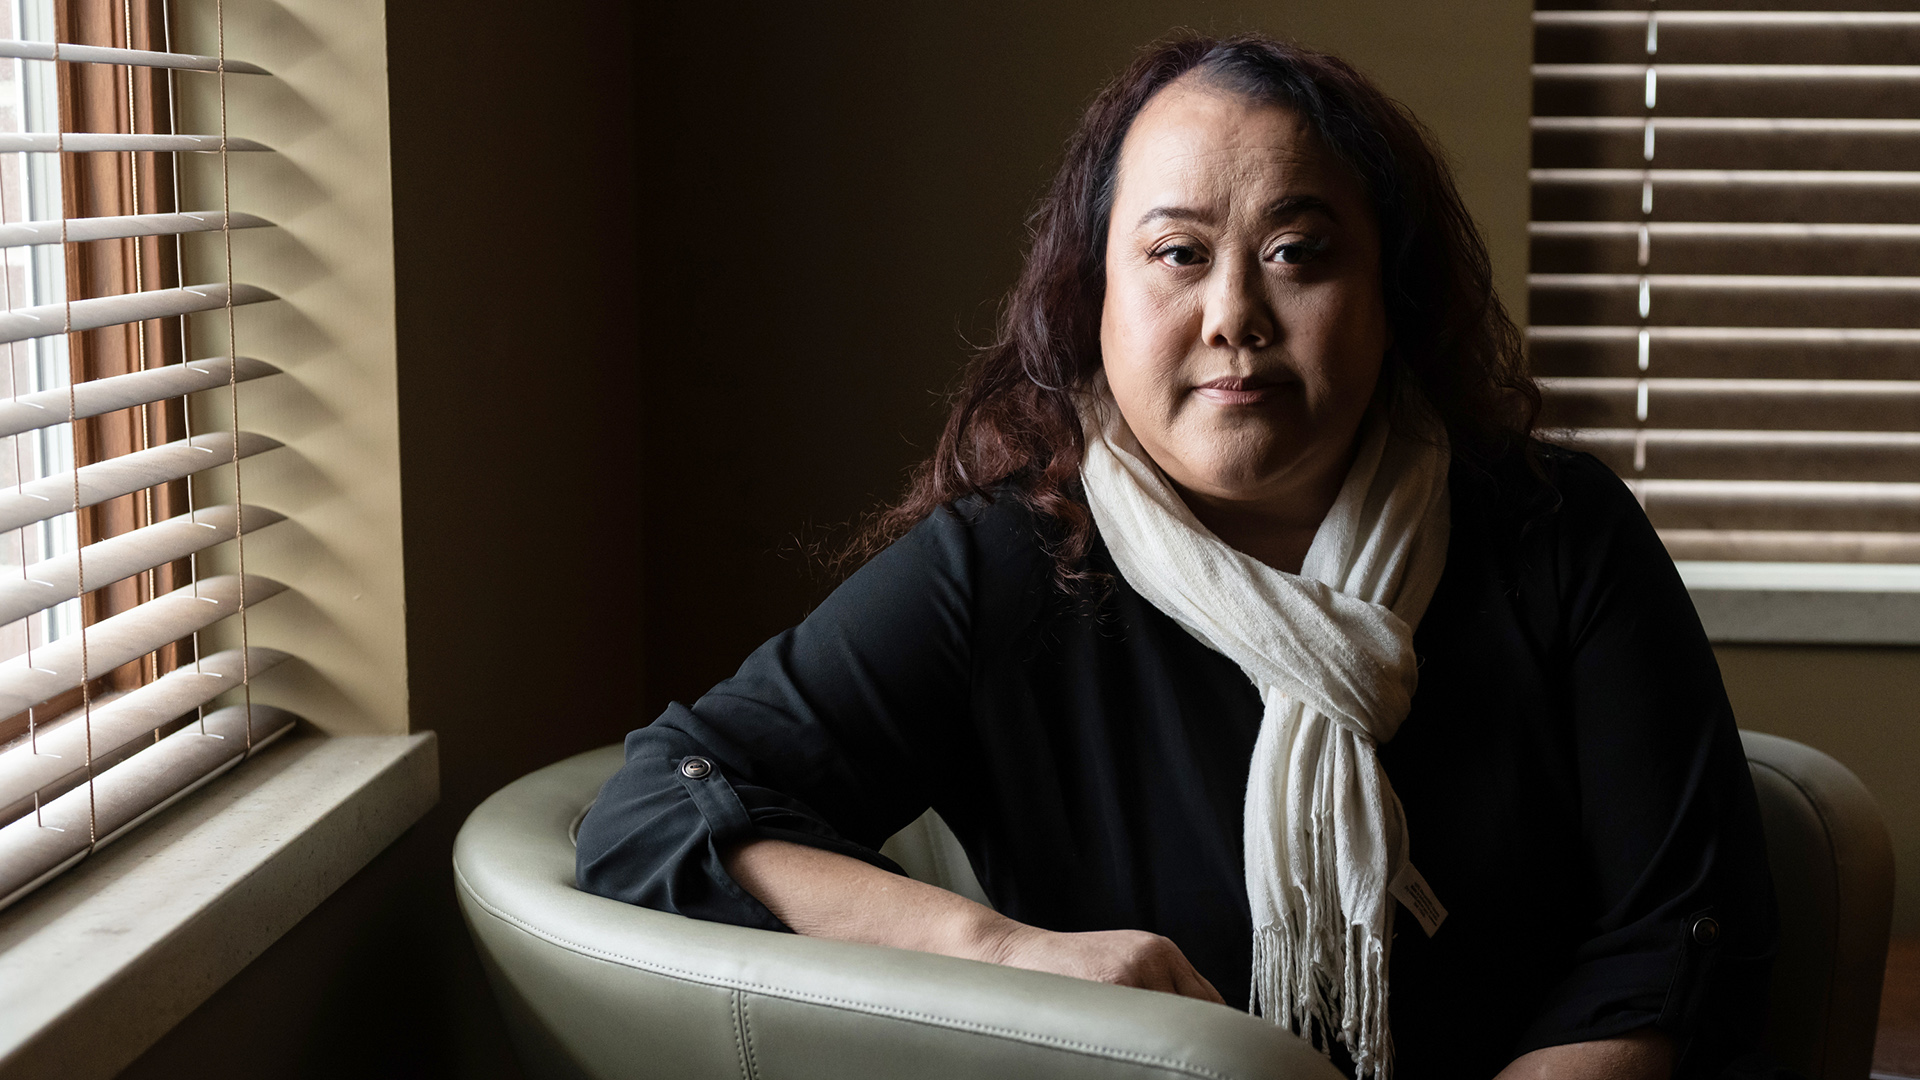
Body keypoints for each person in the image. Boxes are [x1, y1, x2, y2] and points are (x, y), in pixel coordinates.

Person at [577, 34, 1778, 1080]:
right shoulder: (1008, 566)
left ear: (1392, 295)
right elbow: (656, 810)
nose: (1236, 317)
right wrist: (1006, 956)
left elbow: (1677, 922)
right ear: (1090, 295)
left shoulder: (1553, 529)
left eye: (1300, 253)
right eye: (1177, 254)